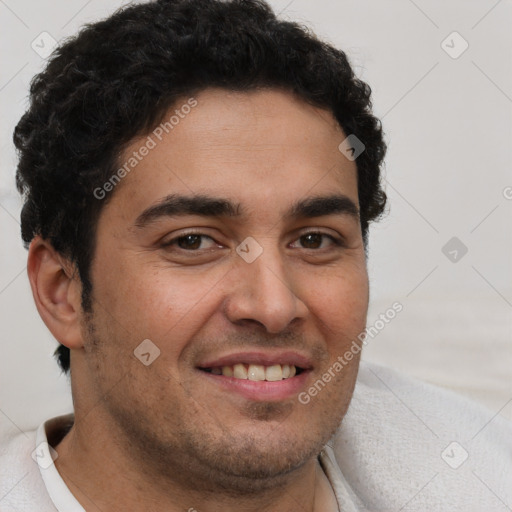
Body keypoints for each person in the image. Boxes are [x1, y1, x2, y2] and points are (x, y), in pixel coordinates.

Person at [1, 0, 510, 510]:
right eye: (193, 241)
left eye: (314, 240)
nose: (273, 307)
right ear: (61, 292)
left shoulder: (482, 472)